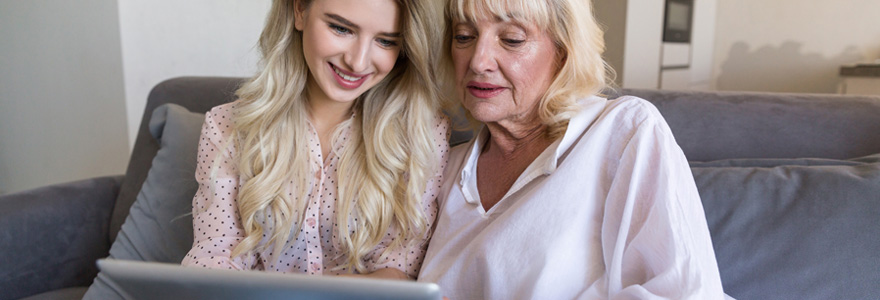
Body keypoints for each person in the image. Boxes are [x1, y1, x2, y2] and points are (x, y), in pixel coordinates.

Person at [416, 0, 730, 298]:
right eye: (464, 36)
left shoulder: (623, 131)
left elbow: (683, 293)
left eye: (511, 39)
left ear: (563, 53)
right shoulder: (440, 170)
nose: (478, 60)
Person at [181, 0, 450, 280]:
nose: (357, 62)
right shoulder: (227, 126)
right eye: (341, 28)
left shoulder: (424, 133)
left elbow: (402, 269)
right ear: (299, 10)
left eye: (385, 41)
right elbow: (213, 256)